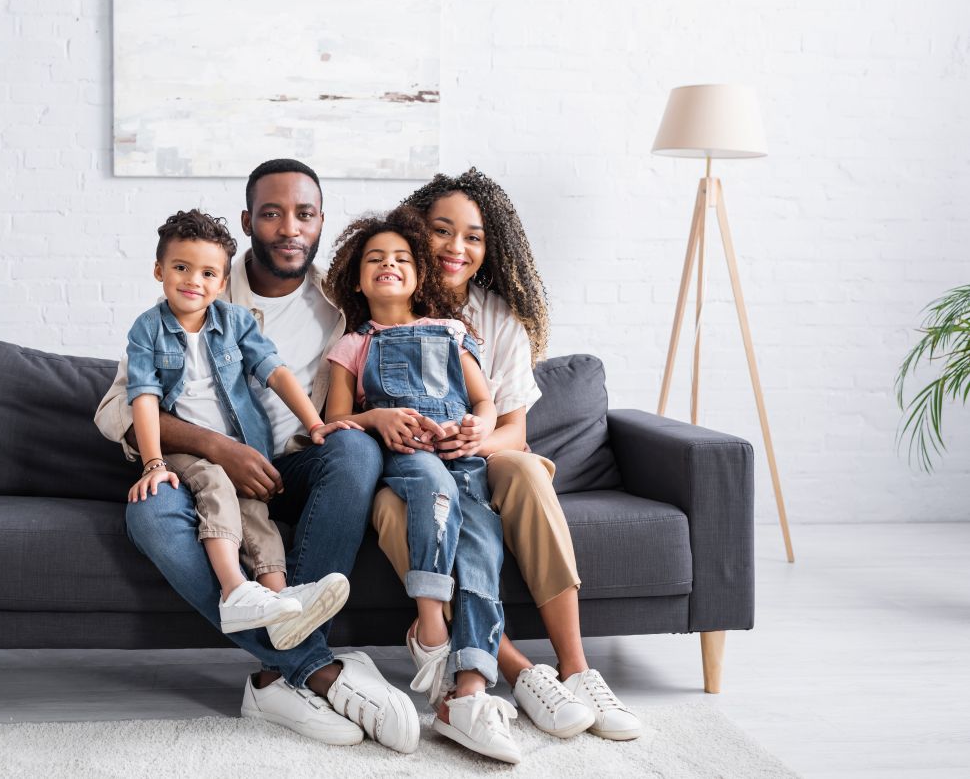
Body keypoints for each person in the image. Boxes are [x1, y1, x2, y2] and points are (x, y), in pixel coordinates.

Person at [94, 159, 419, 752]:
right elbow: (115, 411)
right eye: (272, 214)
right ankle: (307, 670)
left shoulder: (342, 302)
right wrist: (217, 446)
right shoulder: (203, 286)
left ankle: (285, 669)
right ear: (248, 221)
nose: (289, 228)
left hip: (295, 462)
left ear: (321, 222)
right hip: (209, 465)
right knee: (147, 512)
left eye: (305, 214)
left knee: (353, 448)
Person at [370, 168, 643, 741]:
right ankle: (518, 671)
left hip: (486, 455)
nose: (456, 247)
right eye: (442, 231)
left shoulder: (498, 318)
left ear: (491, 248)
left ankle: (576, 668)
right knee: (409, 509)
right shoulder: (385, 298)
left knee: (520, 467)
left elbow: (514, 429)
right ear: (416, 232)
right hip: (412, 468)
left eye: (473, 236)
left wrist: (474, 439)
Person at [322, 208, 522, 764]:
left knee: (483, 542)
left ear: (420, 274)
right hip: (409, 456)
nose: (388, 264)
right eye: (374, 259)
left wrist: (481, 425)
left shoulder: (452, 332)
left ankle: (472, 692)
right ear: (356, 279)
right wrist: (376, 419)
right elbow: (335, 421)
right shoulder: (351, 346)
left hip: (462, 456)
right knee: (434, 487)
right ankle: (430, 623)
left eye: (402, 258)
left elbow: (483, 400)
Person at [124, 209, 355, 650]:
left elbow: (277, 373)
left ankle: (280, 601)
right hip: (187, 452)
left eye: (208, 272)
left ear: (222, 279)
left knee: (256, 514)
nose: (194, 280)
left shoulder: (235, 321)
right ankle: (234, 591)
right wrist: (153, 462)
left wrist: (315, 424)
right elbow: (144, 398)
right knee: (214, 485)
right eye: (180, 267)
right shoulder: (147, 330)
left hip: (244, 445)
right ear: (159, 271)